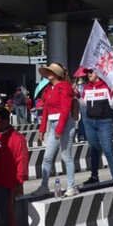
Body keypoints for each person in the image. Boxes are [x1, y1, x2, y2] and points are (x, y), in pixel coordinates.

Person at [0, 107, 29, 226]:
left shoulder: (17, 138)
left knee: (6, 216)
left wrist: (19, 182)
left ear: (5, 121)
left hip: (7, 183)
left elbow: (22, 160)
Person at [37, 63, 77, 195]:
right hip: (54, 124)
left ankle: (71, 186)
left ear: (56, 74)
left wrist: (59, 129)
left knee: (66, 156)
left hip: (65, 123)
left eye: (50, 72)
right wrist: (42, 130)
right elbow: (45, 111)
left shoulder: (65, 87)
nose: (47, 74)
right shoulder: (48, 89)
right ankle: (44, 186)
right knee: (48, 157)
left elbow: (65, 110)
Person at [78, 66, 113, 184]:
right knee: (94, 149)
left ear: (98, 73)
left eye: (91, 72)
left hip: (104, 123)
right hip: (90, 123)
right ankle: (94, 176)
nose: (88, 74)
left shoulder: (107, 86)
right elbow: (83, 104)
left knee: (107, 150)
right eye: (87, 72)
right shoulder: (86, 88)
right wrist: (76, 95)